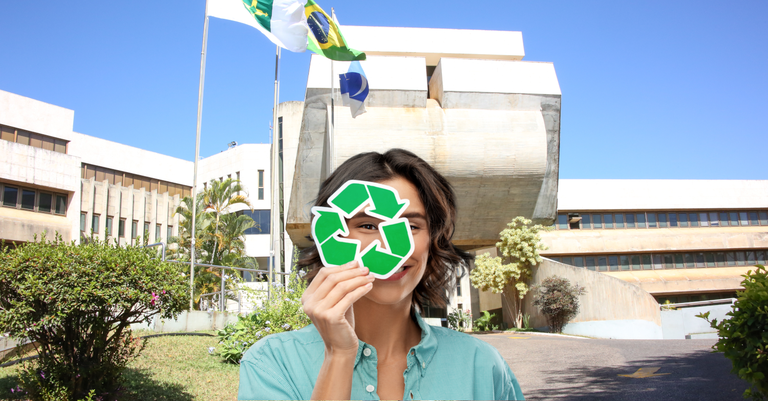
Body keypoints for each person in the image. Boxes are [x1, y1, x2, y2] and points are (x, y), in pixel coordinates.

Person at [238, 148, 524, 400]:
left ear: (432, 241)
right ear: (330, 233)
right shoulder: (272, 363)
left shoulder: (482, 366)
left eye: (411, 227)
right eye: (368, 226)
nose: (390, 248)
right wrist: (339, 356)